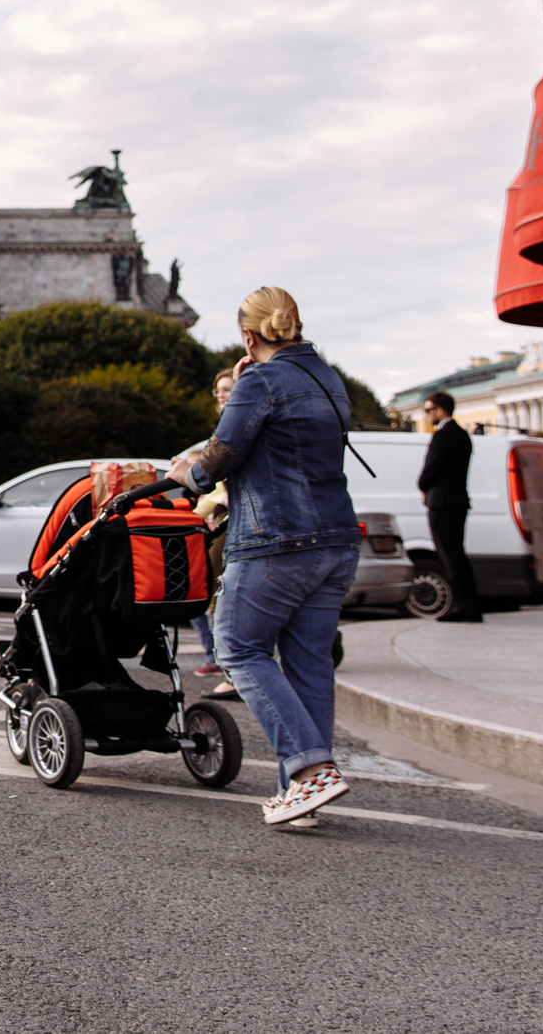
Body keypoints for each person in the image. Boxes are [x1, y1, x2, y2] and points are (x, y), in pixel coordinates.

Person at [163, 286, 362, 827]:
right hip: (337, 540)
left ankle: (308, 770)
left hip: (276, 540)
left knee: (237, 647)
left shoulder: (259, 381)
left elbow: (221, 456)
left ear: (249, 336)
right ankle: (301, 795)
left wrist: (188, 474)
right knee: (309, 665)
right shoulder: (327, 378)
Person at [189, 367, 241, 696]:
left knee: (214, 595)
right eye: (217, 391)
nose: (221, 395)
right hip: (222, 516)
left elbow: (214, 477)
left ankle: (227, 666)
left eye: (227, 389)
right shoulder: (227, 426)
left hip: (230, 519)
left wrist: (191, 475)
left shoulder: (235, 427)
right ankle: (224, 662)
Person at [418, 391, 482, 622]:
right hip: (458, 502)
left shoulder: (442, 436)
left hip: (441, 503)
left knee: (448, 556)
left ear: (440, 410)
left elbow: (431, 469)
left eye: (428, 410)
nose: (426, 415)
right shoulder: (463, 435)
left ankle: (461, 607)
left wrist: (422, 484)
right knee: (458, 555)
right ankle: (470, 605)